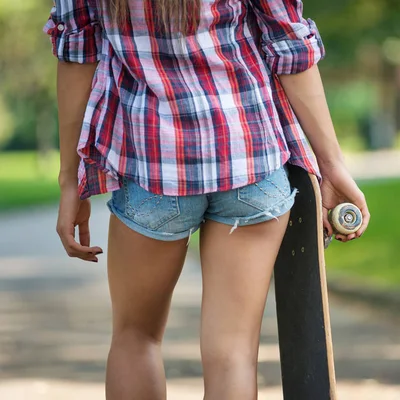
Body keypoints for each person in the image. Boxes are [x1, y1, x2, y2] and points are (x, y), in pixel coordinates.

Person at [44, 0, 370, 399]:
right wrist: (331, 163)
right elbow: (289, 43)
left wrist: (70, 181)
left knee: (136, 338)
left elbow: (77, 56)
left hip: (153, 166)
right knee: (232, 354)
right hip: (250, 156)